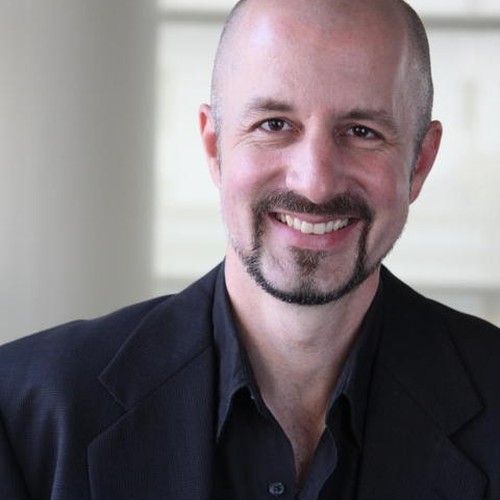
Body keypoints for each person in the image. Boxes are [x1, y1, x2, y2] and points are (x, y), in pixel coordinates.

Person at [1, 0, 499, 498]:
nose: (315, 183)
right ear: (214, 147)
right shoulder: (22, 409)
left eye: (361, 132)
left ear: (420, 163)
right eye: (274, 124)